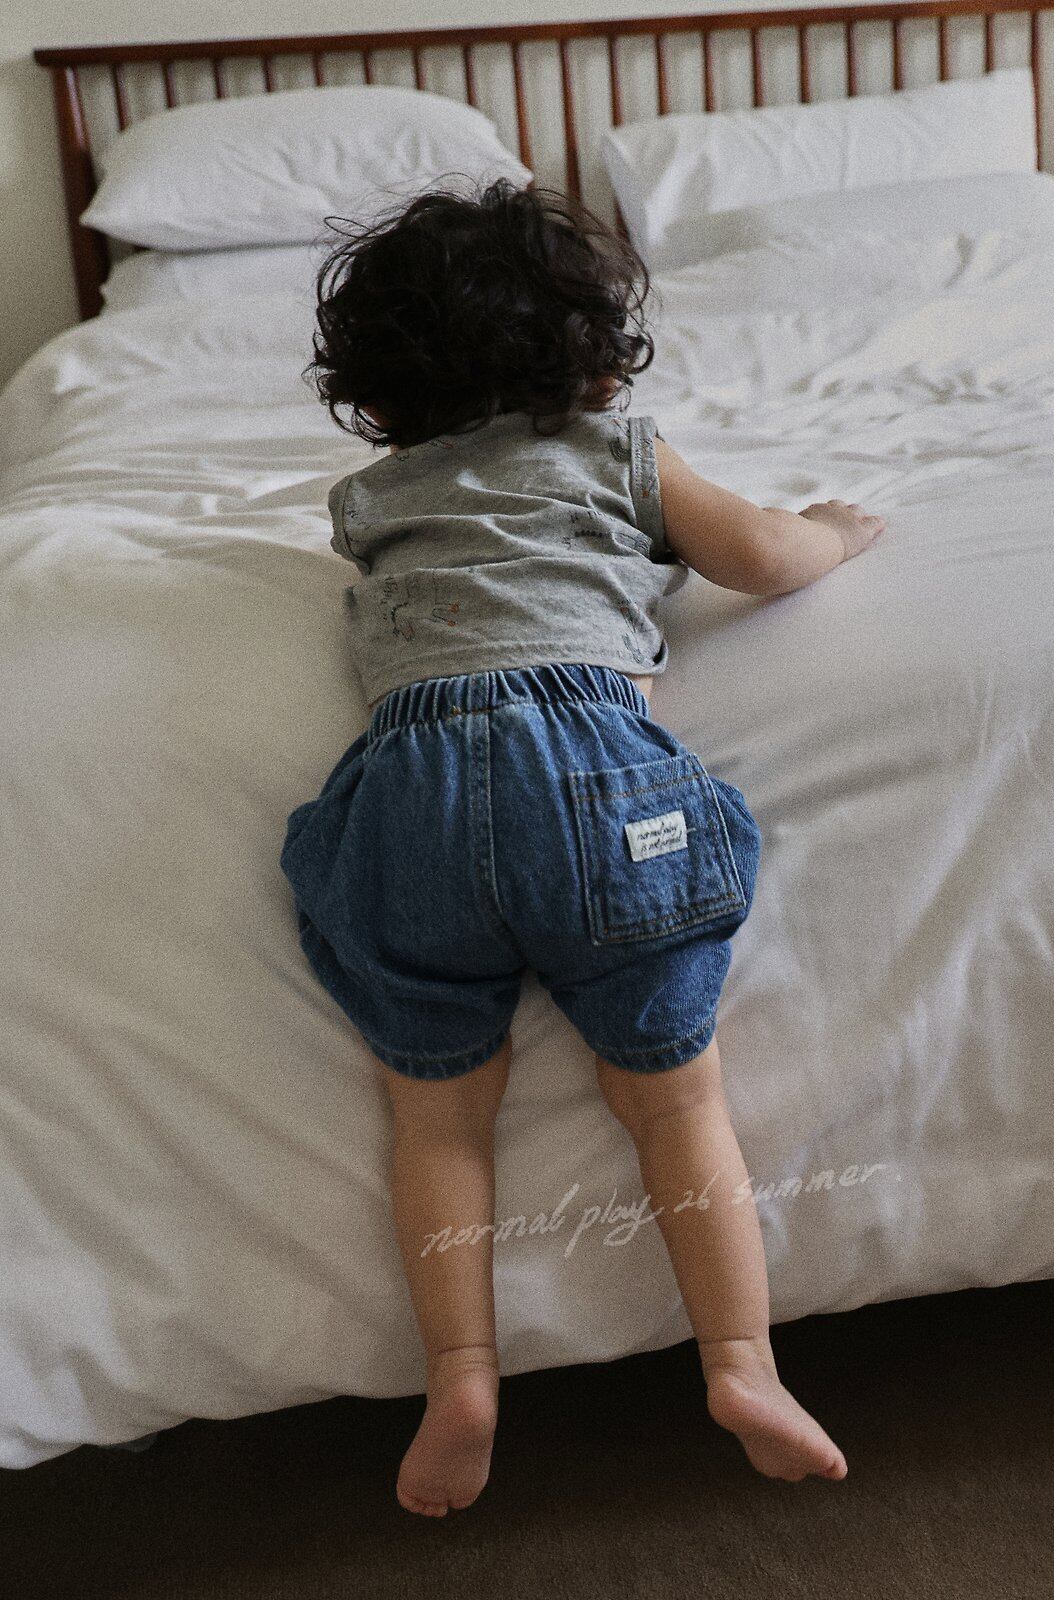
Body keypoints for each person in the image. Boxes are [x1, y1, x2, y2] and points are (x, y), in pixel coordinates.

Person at [280, 179, 885, 1517]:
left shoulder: (371, 498)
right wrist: (834, 533)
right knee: (675, 1099)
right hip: (597, 785)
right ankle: (741, 1366)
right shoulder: (619, 455)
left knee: (438, 1118)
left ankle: (462, 1382)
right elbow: (759, 555)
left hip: (416, 797)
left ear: (377, 393)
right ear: (596, 362)